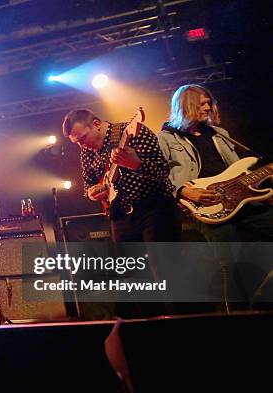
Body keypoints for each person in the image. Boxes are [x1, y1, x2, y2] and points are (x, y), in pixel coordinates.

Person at [157, 84, 273, 310]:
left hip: (241, 200)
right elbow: (157, 176)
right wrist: (183, 191)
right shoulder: (166, 138)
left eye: (209, 102)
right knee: (232, 265)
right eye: (202, 103)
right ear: (187, 105)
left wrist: (265, 177)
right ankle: (239, 318)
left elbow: (241, 171)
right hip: (208, 205)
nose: (208, 107)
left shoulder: (220, 134)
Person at [62, 109, 181, 242]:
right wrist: (92, 193)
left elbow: (163, 172)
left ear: (96, 124)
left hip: (155, 209)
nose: (82, 145)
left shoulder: (133, 132)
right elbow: (88, 184)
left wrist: (137, 164)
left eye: (83, 138)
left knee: (163, 262)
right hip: (120, 216)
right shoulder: (86, 152)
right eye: (77, 142)